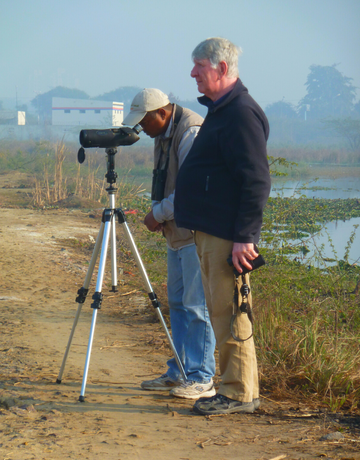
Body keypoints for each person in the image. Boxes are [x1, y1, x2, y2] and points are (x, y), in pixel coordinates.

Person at [174, 37, 271, 415]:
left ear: (222, 68)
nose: (193, 73)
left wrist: (244, 237)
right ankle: (235, 388)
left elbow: (256, 180)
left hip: (227, 235)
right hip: (212, 231)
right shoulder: (222, 110)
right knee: (220, 310)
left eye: (200, 65)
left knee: (229, 311)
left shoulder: (241, 112)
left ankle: (237, 393)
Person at [122, 88, 216, 399]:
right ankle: (179, 370)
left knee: (196, 306)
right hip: (176, 232)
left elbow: (192, 189)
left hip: (194, 232)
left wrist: (158, 213)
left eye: (145, 121)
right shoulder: (164, 133)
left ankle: (202, 377)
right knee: (177, 303)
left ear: (162, 113)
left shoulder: (190, 130)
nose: (142, 128)